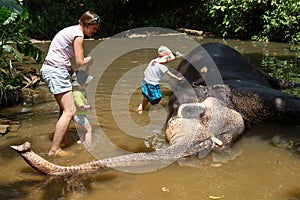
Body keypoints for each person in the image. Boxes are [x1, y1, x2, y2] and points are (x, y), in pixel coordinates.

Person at [40, 11, 100, 156]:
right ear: (86, 24)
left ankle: (63, 141)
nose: (95, 31)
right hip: (55, 71)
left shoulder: (71, 31)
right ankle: (54, 150)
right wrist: (90, 59)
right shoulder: (78, 36)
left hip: (53, 69)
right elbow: (80, 62)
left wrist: (72, 73)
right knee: (70, 111)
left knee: (64, 110)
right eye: (94, 28)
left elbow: (63, 57)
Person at [136, 46, 184, 114]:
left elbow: (145, 72)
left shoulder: (152, 62)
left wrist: (147, 79)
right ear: (165, 60)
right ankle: (153, 113)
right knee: (157, 99)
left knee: (145, 98)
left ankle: (140, 109)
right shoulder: (163, 67)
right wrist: (178, 78)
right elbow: (171, 75)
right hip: (153, 85)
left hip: (145, 83)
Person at [72, 70, 93, 144]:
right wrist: (88, 107)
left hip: (80, 115)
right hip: (79, 115)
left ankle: (81, 140)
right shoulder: (77, 94)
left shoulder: (81, 91)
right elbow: (80, 106)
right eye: (86, 84)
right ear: (79, 85)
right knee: (89, 129)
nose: (87, 85)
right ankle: (89, 145)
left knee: (83, 129)